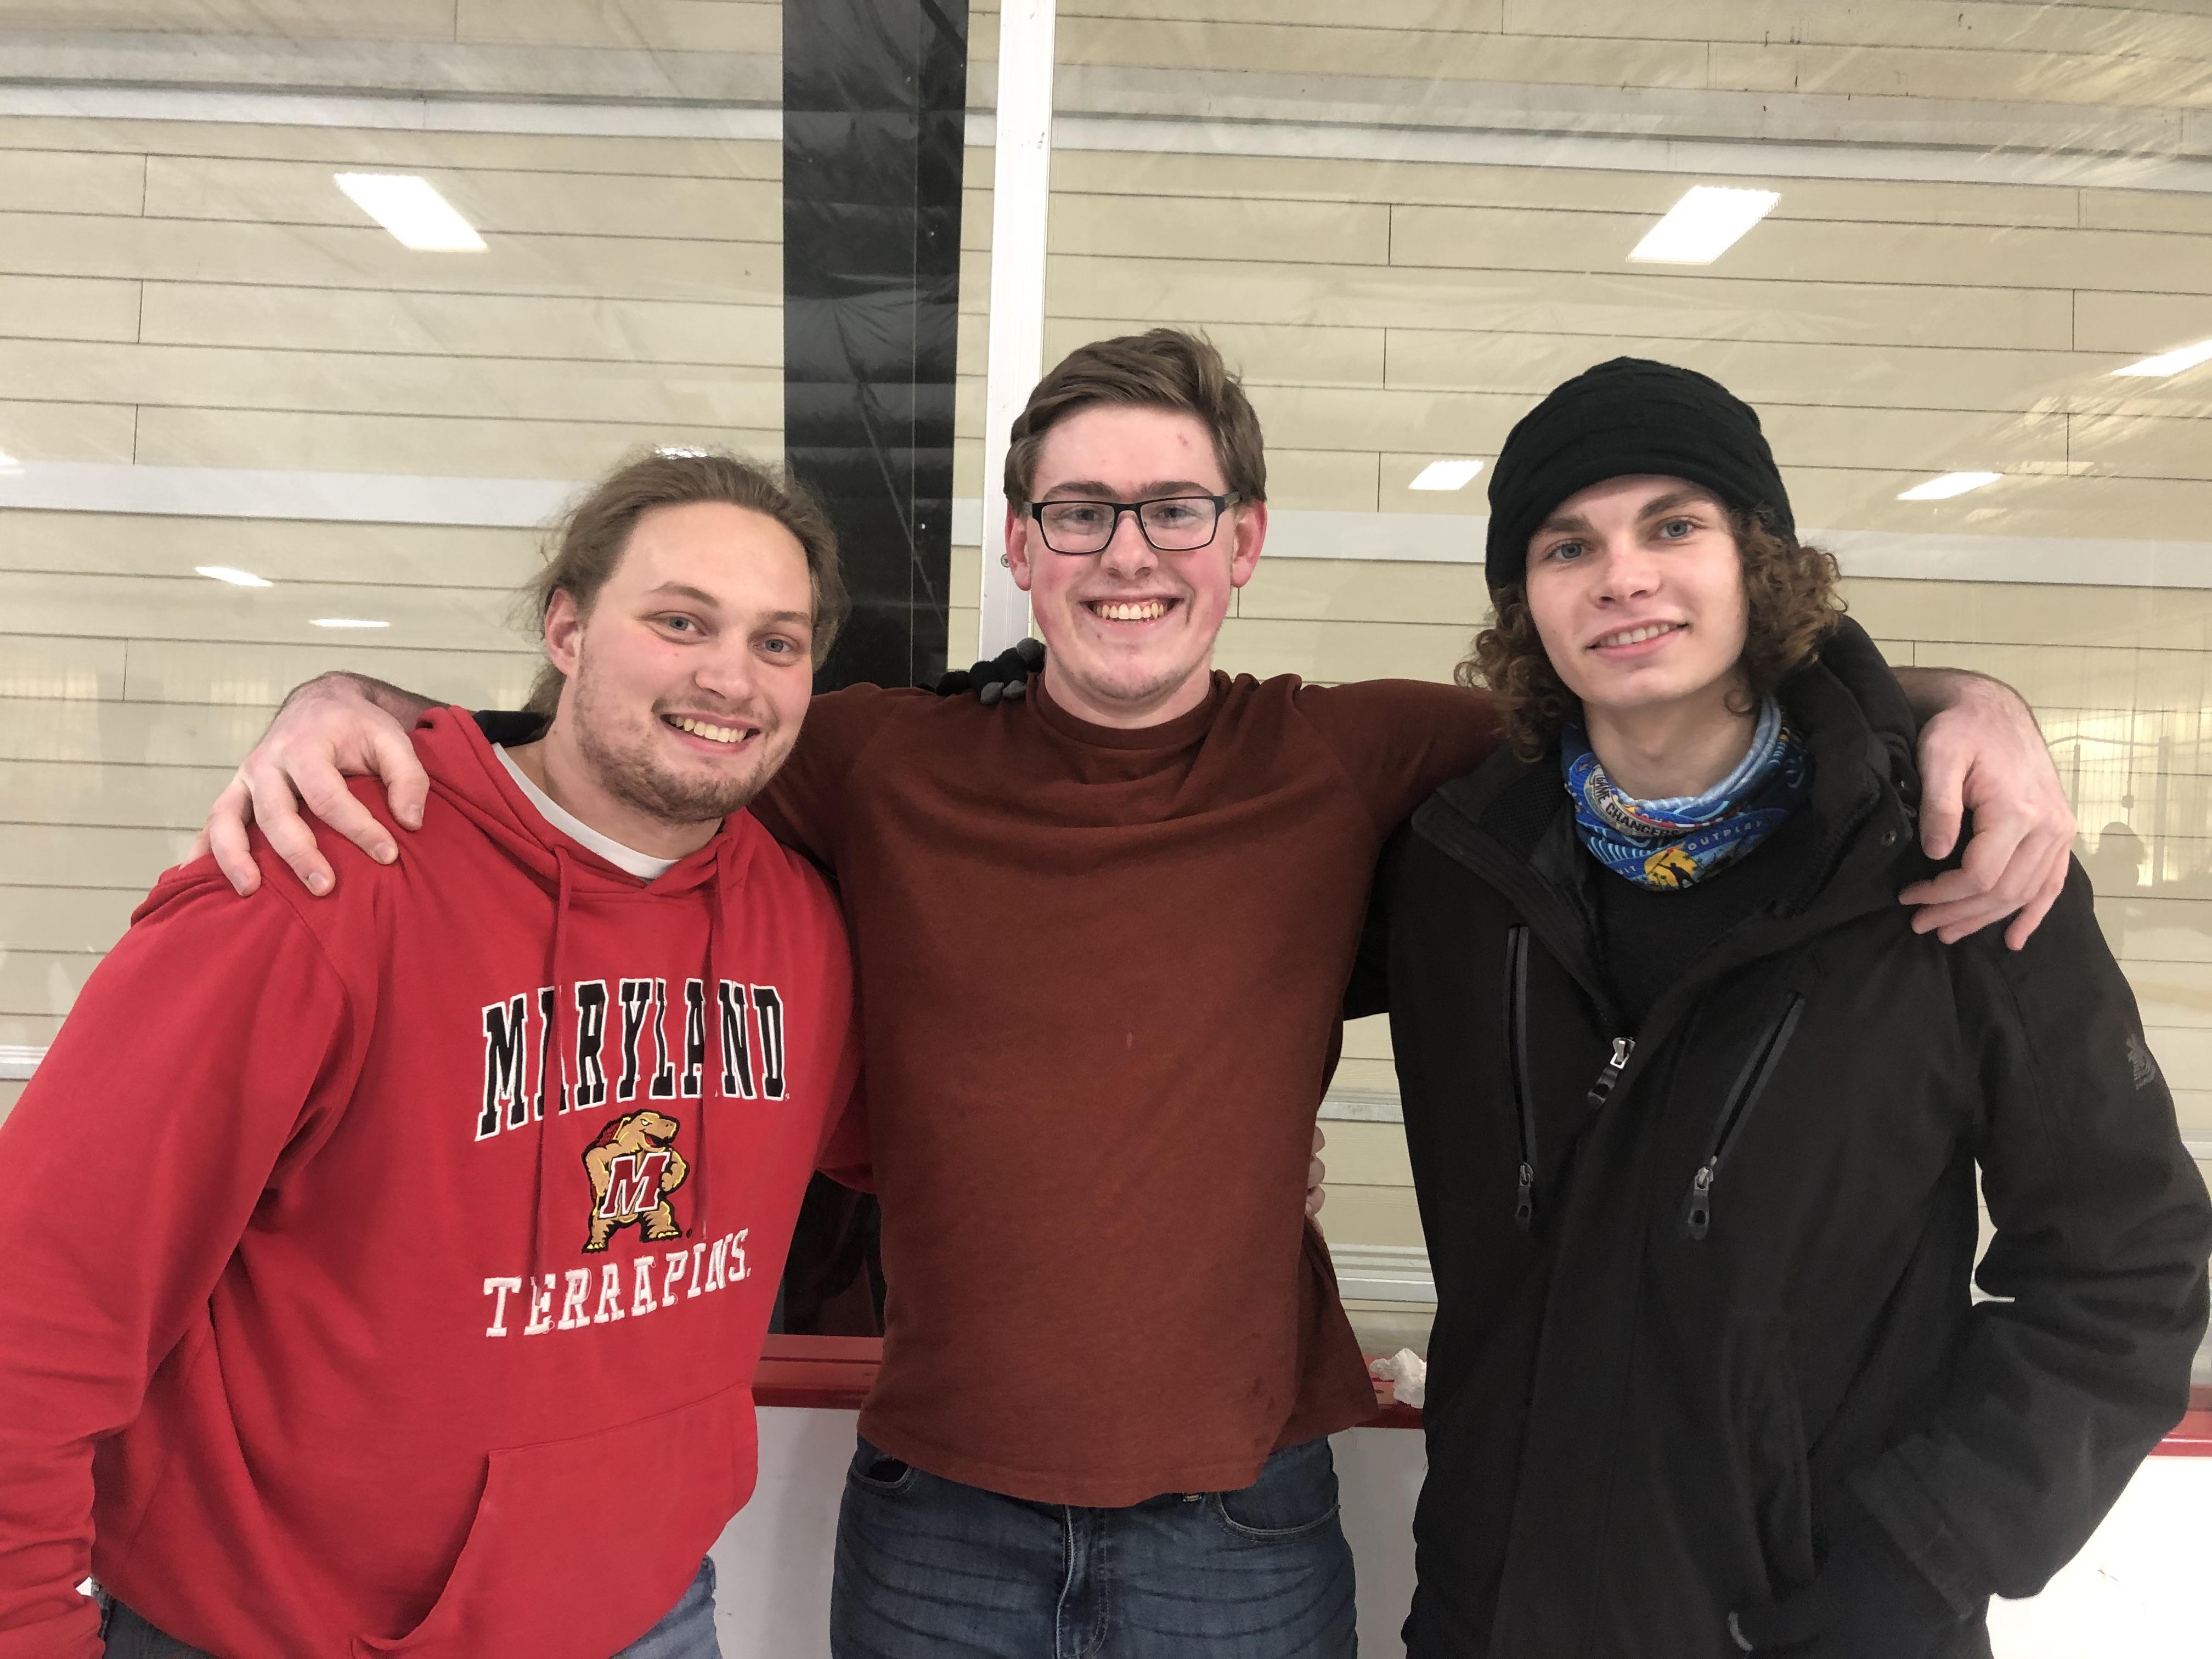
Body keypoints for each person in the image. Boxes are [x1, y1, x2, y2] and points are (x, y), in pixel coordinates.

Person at [188, 332, 2079, 1657]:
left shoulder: (1371, 762)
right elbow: (627, 739)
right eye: (1079, 512)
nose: (1128, 553)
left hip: (1236, 1528)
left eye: (1176, 510)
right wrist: (358, 707)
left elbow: (1662, 695)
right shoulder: (876, 759)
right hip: (933, 1512)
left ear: (1243, 546)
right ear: (1018, 546)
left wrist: (1949, 704)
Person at [1356, 358, 2212, 1658]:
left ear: (1763, 564)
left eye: (1675, 526)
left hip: (1828, 1623)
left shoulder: (1952, 863)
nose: (1624, 576)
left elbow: (2128, 1260)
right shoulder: (1461, 873)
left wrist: (1921, 1556)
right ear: (1525, 602)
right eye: (1567, 543)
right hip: (1498, 1613)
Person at [0, 451, 864, 1659]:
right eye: (680, 621)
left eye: (780, 641)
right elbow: (38, 1305)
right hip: (275, 1635)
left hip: (648, 1619)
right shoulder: (315, 878)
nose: (732, 676)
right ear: (567, 626)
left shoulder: (802, 933)